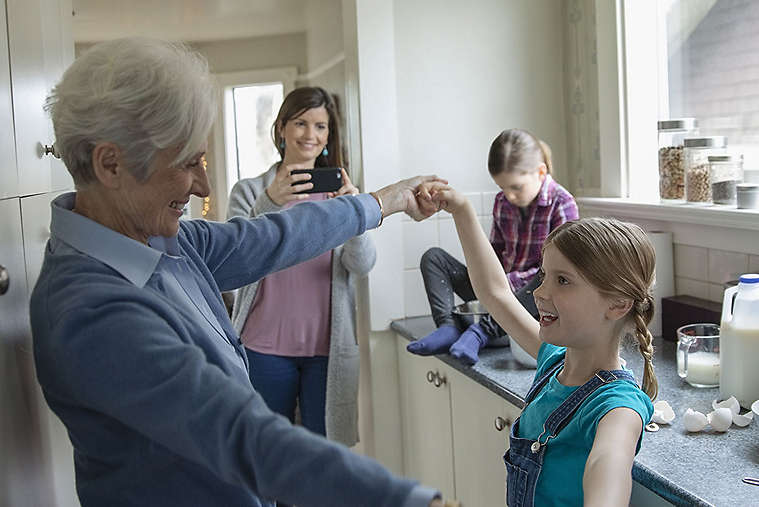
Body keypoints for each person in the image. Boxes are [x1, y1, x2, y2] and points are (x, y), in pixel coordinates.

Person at [30, 36, 452, 507]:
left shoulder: (166, 241)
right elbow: (241, 434)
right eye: (189, 163)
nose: (203, 185)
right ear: (112, 163)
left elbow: (274, 236)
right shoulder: (90, 309)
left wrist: (385, 200)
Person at [417, 181, 657, 506]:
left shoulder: (618, 409)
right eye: (544, 276)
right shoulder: (553, 362)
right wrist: (461, 209)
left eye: (563, 281)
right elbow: (495, 293)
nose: (540, 293)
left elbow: (608, 469)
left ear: (617, 304)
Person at [227, 86, 373, 449]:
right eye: (301, 123)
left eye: (321, 126)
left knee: (323, 460)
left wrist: (355, 212)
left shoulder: (340, 194)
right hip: (262, 347)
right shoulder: (249, 191)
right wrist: (270, 202)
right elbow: (237, 258)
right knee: (265, 453)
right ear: (281, 129)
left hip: (326, 350)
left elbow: (363, 263)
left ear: (329, 135)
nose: (311, 134)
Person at [407, 129, 579, 365]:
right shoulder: (502, 202)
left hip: (532, 301)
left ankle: (481, 332)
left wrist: (505, 285)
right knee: (433, 258)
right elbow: (493, 254)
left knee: (546, 276)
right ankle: (448, 327)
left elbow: (562, 274)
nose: (509, 195)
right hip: (498, 292)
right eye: (503, 188)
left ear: (540, 172)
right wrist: (490, 281)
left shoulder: (562, 203)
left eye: (516, 187)